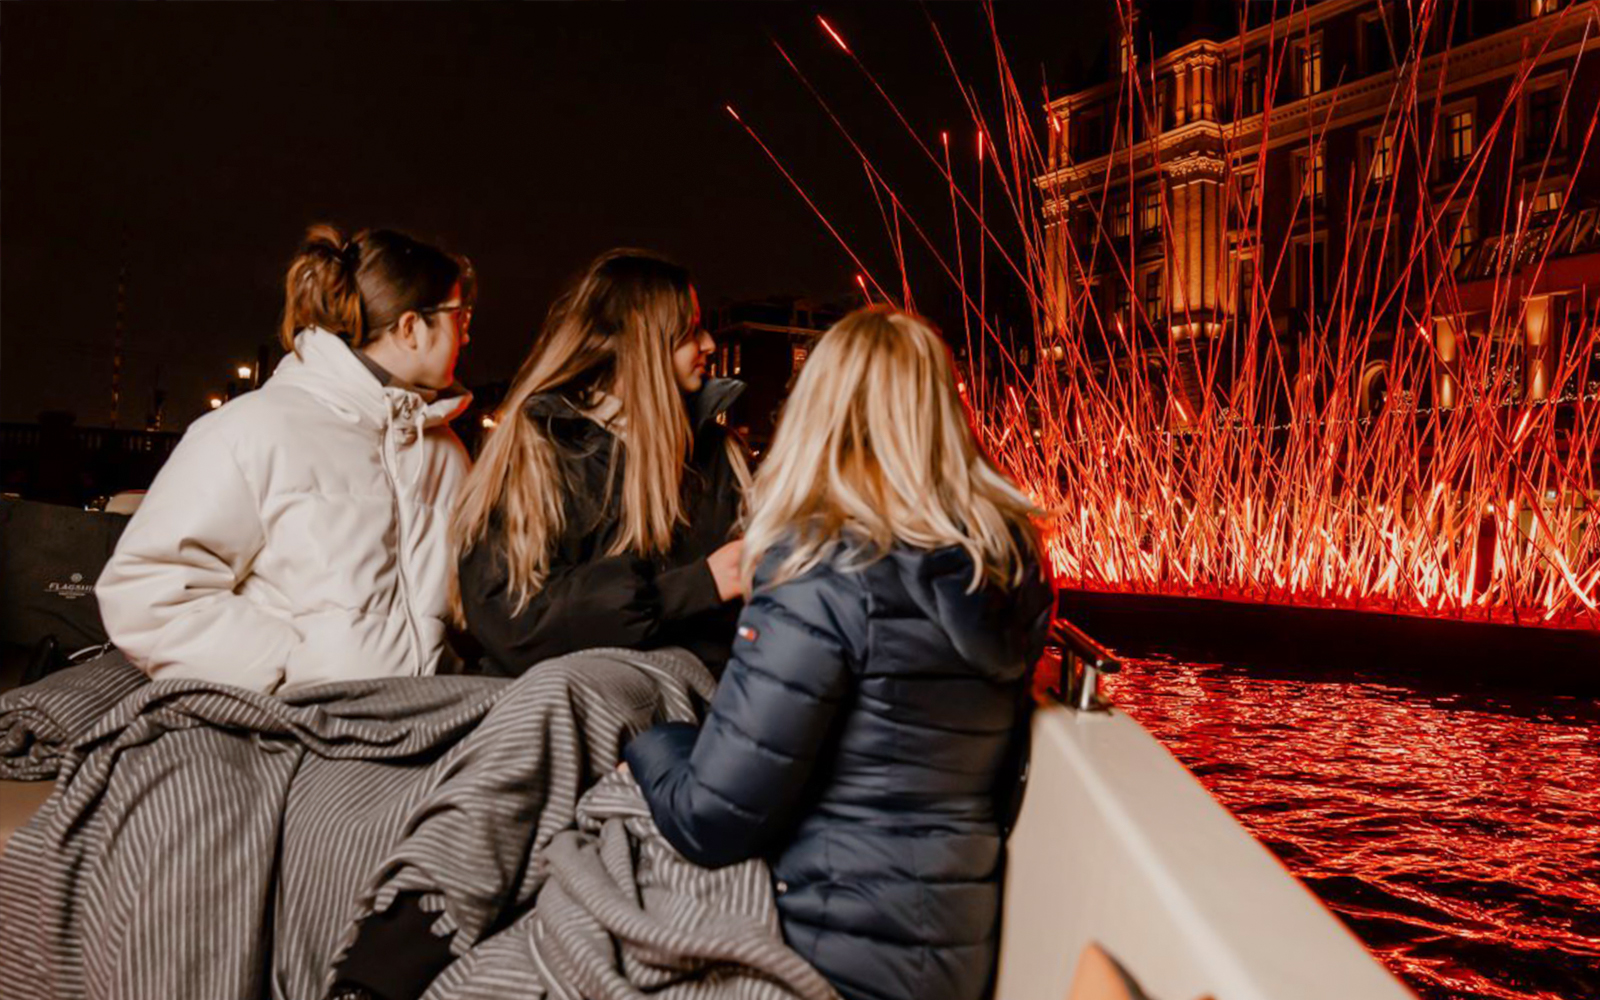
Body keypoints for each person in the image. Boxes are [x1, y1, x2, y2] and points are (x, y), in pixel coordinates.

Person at [624, 306, 1055, 1000]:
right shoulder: (1000, 568)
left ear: (819, 415)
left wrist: (651, 745)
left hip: (826, 957)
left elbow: (711, 819)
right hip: (943, 955)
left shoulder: (823, 570)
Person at [96, 225, 476, 693]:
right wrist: (290, 671)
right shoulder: (252, 430)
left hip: (426, 717)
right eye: (459, 316)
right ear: (410, 328)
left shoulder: (447, 451)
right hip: (294, 719)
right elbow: (146, 592)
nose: (466, 335)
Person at [450, 248, 748, 677]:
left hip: (698, 705)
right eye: (690, 330)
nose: (709, 344)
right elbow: (513, 621)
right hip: (571, 708)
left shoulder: (719, 453)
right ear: (643, 343)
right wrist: (692, 588)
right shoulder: (541, 450)